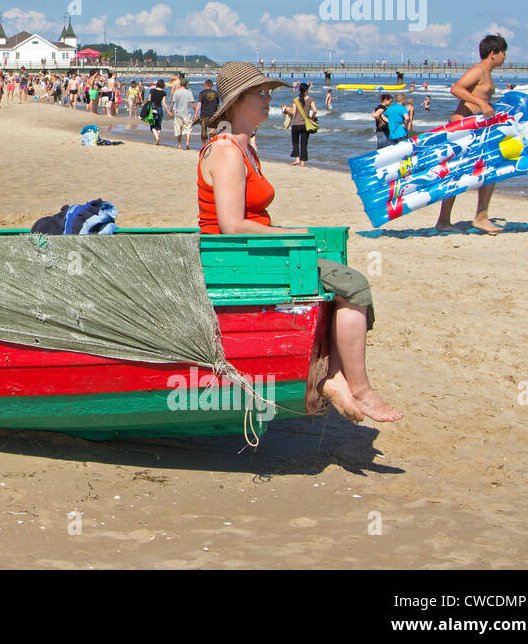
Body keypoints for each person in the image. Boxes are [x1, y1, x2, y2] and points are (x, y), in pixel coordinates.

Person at [197, 61, 401, 423]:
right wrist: (293, 236)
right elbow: (231, 226)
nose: (269, 98)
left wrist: (289, 236)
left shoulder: (245, 147)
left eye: (268, 91)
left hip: (251, 252)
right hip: (234, 257)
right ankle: (360, 389)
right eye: (260, 93)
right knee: (354, 284)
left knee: (341, 280)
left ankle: (336, 378)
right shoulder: (227, 150)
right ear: (238, 100)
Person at [437, 34, 508, 234]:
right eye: (503, 52)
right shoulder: (478, 70)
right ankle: (478, 217)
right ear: (493, 54)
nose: (505, 56)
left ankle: (450, 220)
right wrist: (482, 103)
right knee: (482, 170)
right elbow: (456, 89)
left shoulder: (486, 73)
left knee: (476, 171)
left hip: (472, 129)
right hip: (462, 128)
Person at [284, 82, 319, 166]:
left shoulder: (295, 100)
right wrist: (312, 117)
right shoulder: (311, 99)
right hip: (305, 124)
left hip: (295, 124)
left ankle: (297, 159)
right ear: (307, 90)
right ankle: (303, 163)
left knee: (295, 142)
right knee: (304, 143)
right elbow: (315, 110)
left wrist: (287, 110)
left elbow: (294, 112)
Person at [168, 77, 197, 150]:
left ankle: (179, 144)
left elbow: (173, 103)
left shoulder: (176, 92)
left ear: (180, 84)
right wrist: (196, 111)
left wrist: (170, 111)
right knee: (188, 128)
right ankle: (187, 143)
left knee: (178, 129)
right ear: (186, 84)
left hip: (178, 113)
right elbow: (192, 103)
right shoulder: (189, 92)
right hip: (186, 113)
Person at [142, 79, 166, 144]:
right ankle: (157, 139)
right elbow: (164, 103)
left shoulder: (152, 90)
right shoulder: (163, 92)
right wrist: (168, 111)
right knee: (158, 125)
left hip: (152, 108)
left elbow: (149, 100)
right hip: (160, 109)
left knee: (152, 125)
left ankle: (157, 138)